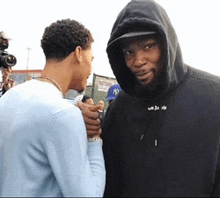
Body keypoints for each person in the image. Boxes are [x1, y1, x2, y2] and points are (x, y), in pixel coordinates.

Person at [101, 0, 220, 197]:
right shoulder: (121, 105)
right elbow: (109, 175)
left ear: (167, 45)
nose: (138, 61)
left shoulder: (214, 96)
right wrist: (88, 129)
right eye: (129, 52)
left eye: (148, 46)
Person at [0, 19, 105, 197]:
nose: (90, 67)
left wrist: (76, 108)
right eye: (91, 59)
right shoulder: (63, 115)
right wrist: (93, 139)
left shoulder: (10, 97)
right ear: (78, 53)